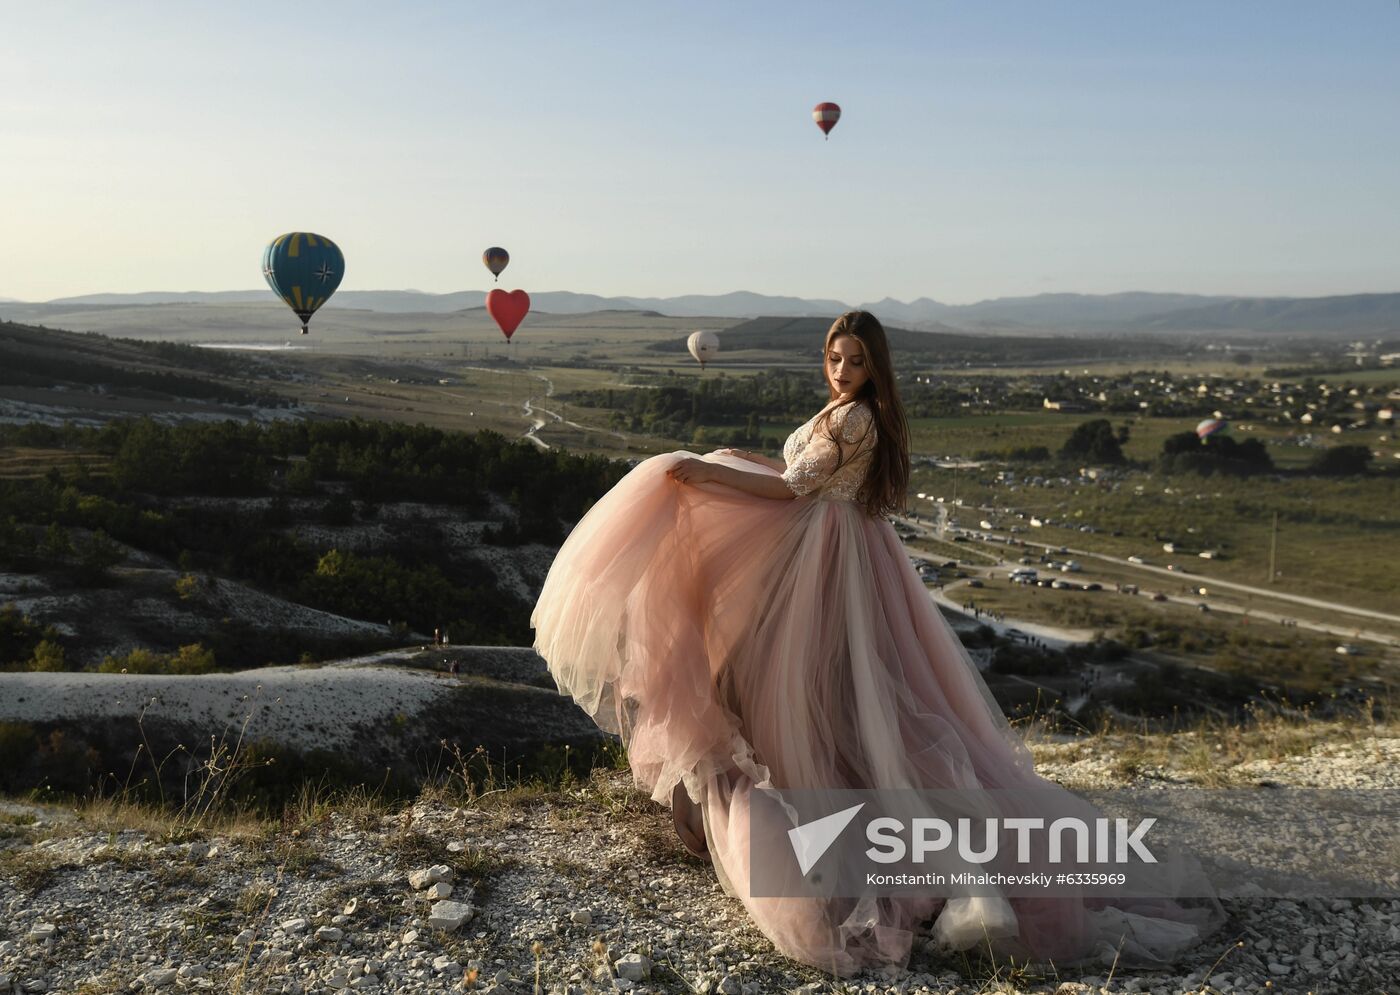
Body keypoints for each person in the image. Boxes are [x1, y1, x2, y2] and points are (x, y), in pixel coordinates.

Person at [530, 311, 1224, 978]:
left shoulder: (858, 418)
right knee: (799, 685)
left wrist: (707, 473)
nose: (841, 370)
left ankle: (853, 830)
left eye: (856, 361)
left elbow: (797, 488)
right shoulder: (842, 413)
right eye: (835, 357)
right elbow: (798, 480)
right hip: (822, 549)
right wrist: (730, 466)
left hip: (828, 562)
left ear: (875, 367)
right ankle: (778, 800)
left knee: (812, 685)